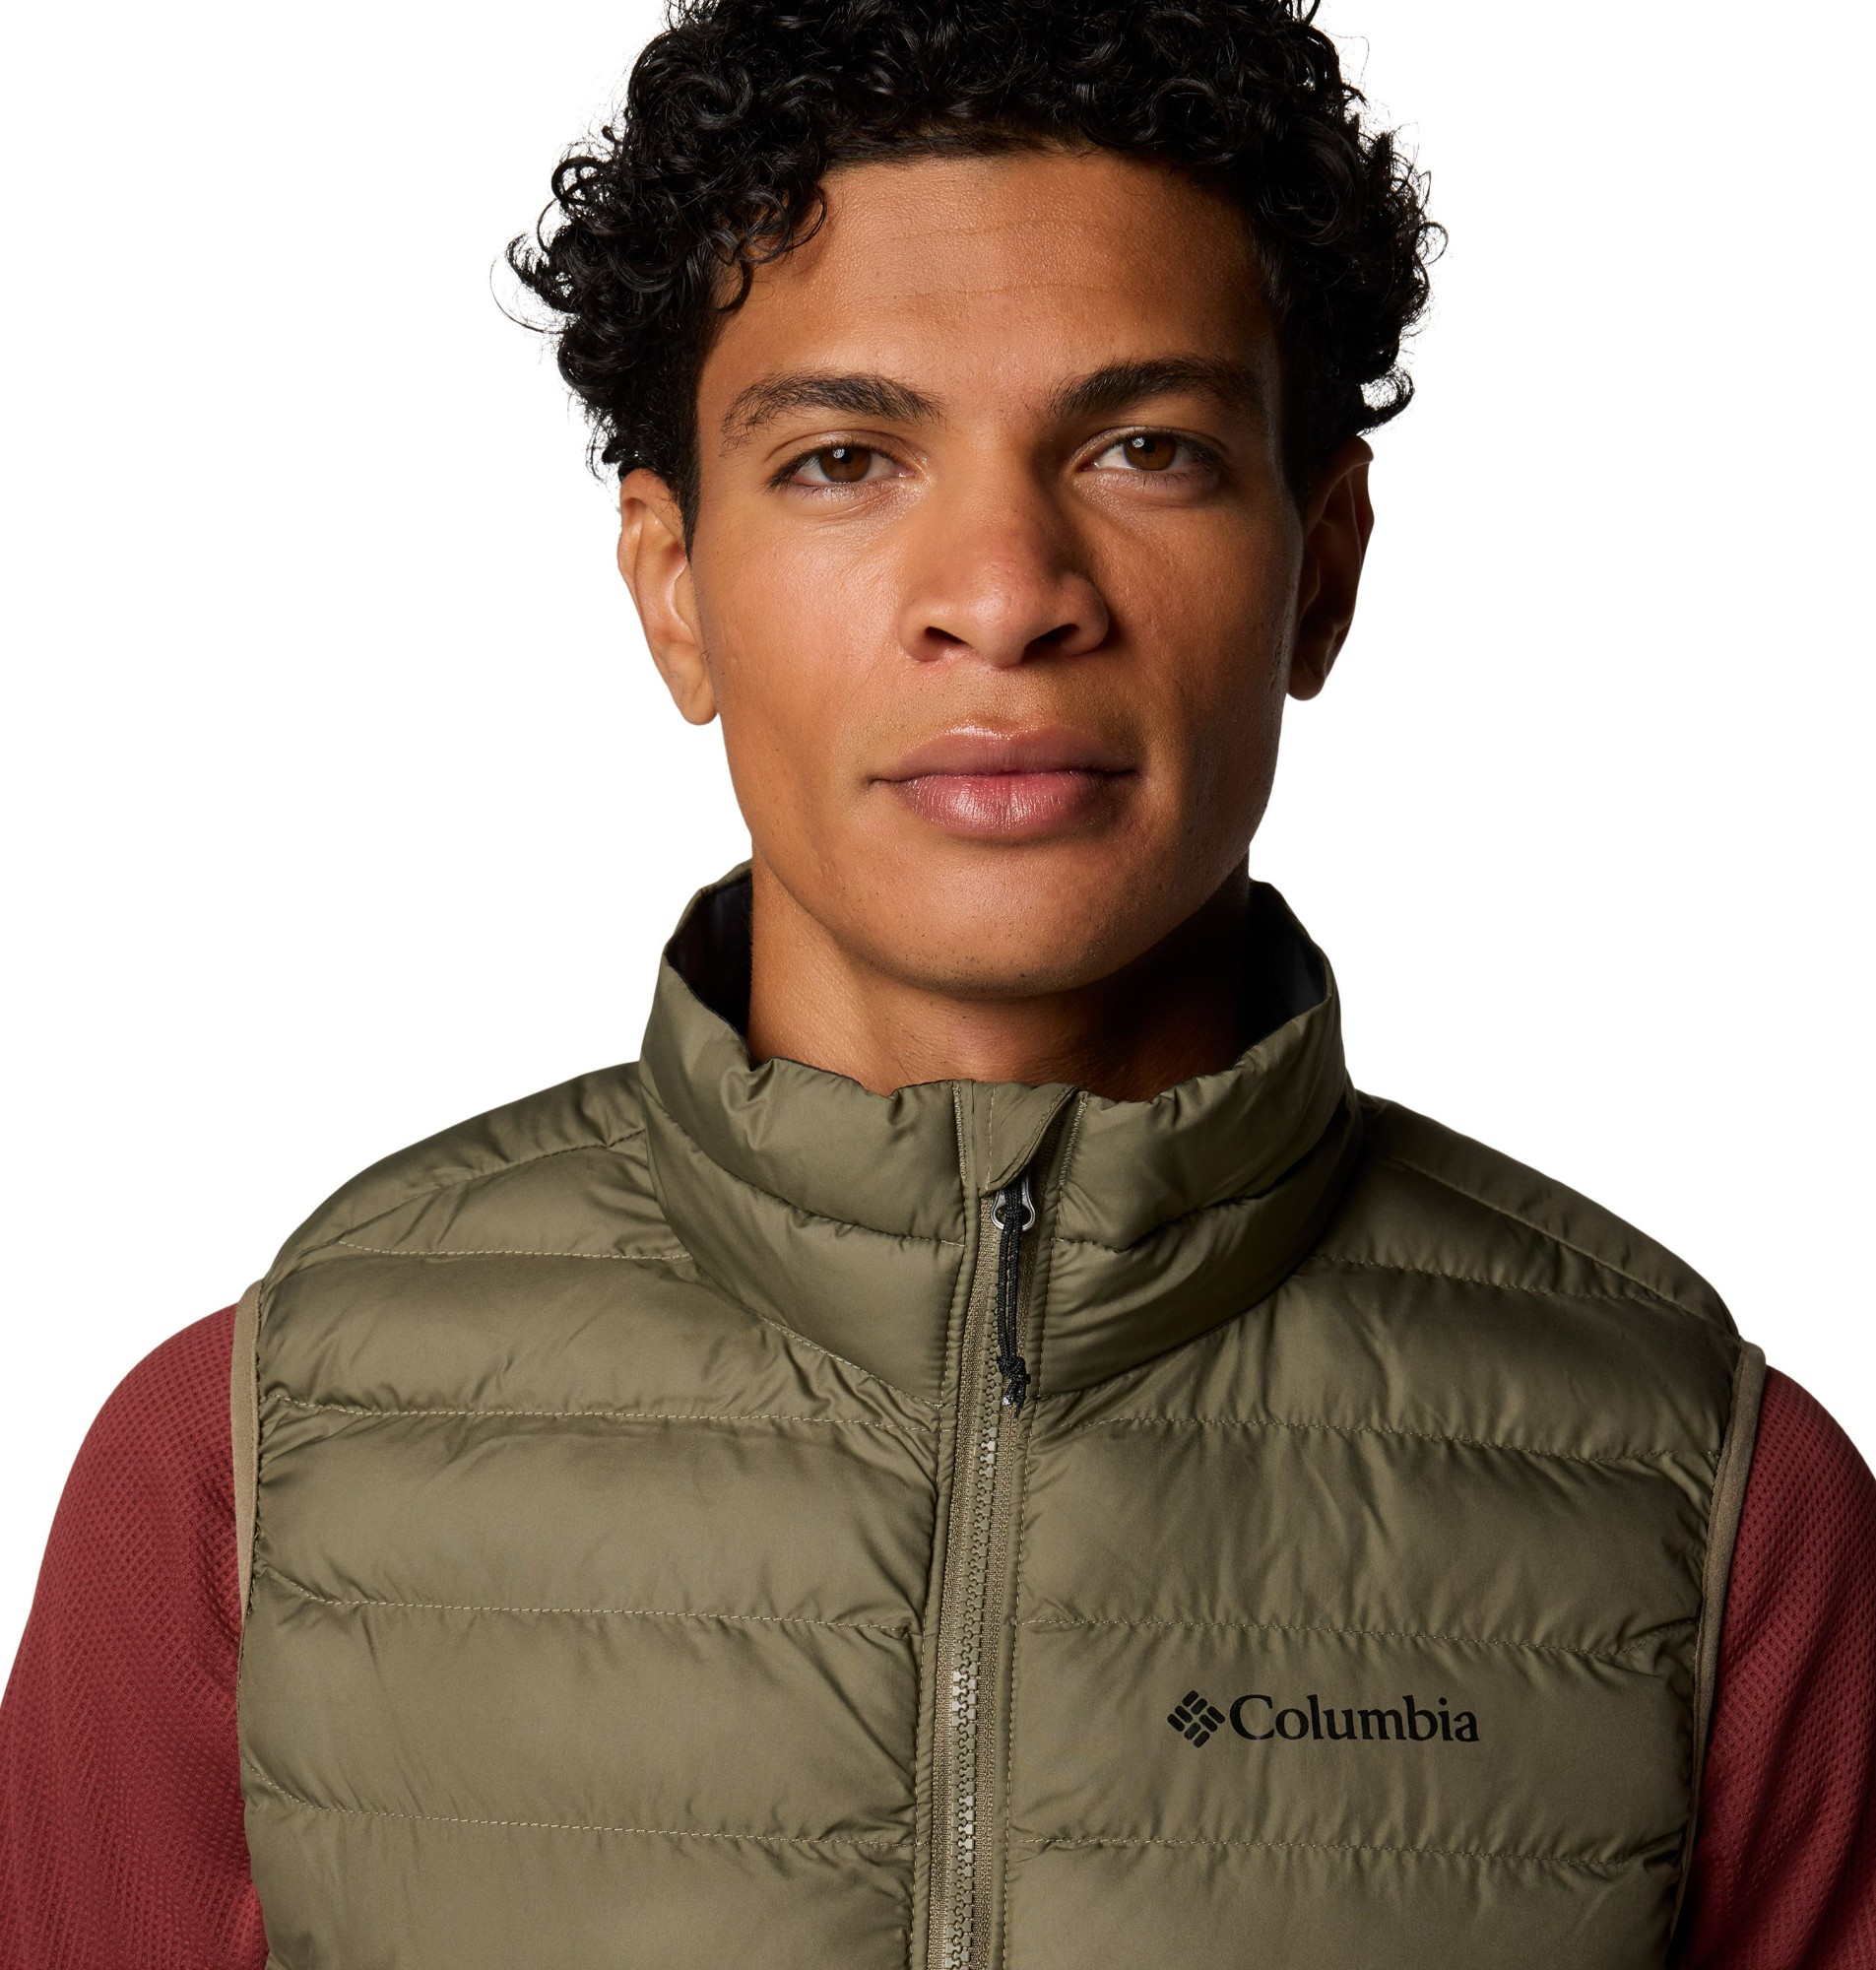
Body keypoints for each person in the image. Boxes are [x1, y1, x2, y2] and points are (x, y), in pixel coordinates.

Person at [2, 0, 1872, 1962]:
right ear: (672, 586)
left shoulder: (1710, 1506)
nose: (1000, 591)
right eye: (842, 459)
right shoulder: (246, 1466)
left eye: (1144, 449)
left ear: (1319, 567)